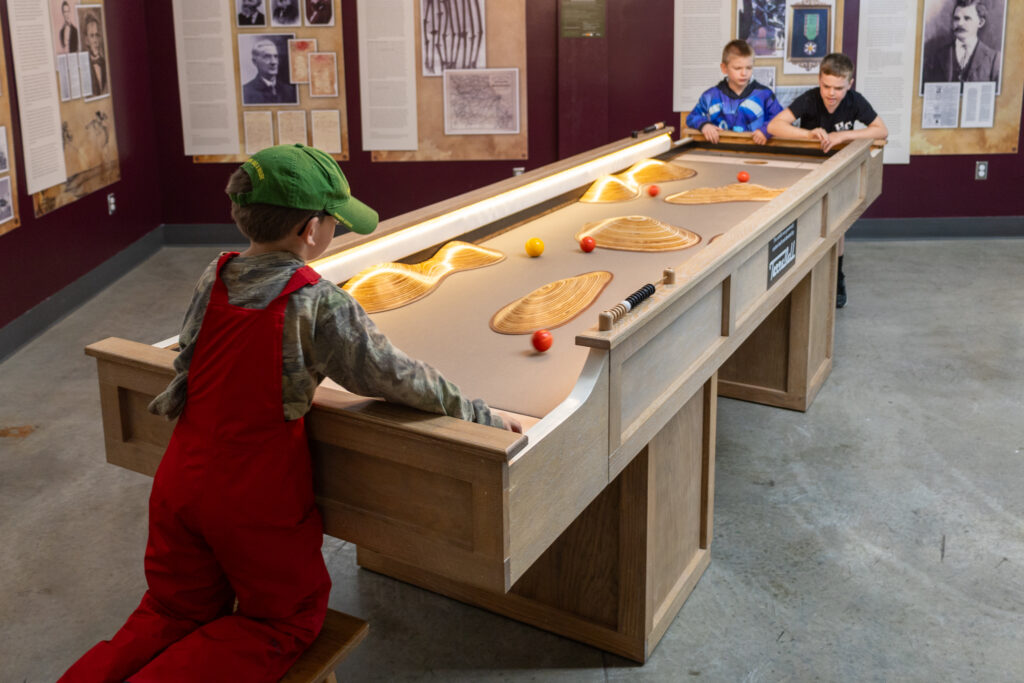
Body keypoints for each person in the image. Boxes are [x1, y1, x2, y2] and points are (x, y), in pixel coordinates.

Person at [58, 144, 521, 683]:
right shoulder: (317, 301)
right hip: (254, 499)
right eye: (333, 222)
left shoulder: (216, 274)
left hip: (180, 479)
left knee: (171, 609)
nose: (335, 231)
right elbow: (397, 378)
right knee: (283, 621)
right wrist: (480, 417)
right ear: (311, 231)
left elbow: (187, 357)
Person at [767, 52, 888, 307]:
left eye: (838, 88)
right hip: (811, 169)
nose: (831, 93)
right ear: (819, 80)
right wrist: (809, 133)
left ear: (850, 84)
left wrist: (842, 137)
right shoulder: (810, 98)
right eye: (826, 86)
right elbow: (775, 126)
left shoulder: (855, 101)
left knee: (838, 222)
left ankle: (838, 275)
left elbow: (881, 130)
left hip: (841, 167)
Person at [685, 39, 782, 145]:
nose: (744, 73)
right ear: (724, 68)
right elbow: (692, 117)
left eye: (748, 68)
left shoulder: (765, 94)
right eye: (738, 68)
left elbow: (781, 119)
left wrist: (765, 130)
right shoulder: (710, 96)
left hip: (756, 153)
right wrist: (704, 125)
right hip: (720, 153)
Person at [922, 0, 1000, 86]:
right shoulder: (937, 55)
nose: (960, 23)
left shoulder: (993, 59)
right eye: (956, 18)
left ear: (980, 22)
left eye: (967, 18)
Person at [242, 39, 297, 104]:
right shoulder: (245, 92)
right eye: (267, 57)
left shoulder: (290, 91)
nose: (273, 62)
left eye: (275, 56)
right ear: (254, 62)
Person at [84, 13, 107, 96]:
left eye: (97, 35)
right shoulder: (84, 67)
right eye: (92, 36)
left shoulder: (104, 63)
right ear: (86, 40)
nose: (95, 40)